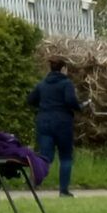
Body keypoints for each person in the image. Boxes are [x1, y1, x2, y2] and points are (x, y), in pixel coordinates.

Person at [27, 55, 87, 198]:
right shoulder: (66, 83)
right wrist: (80, 107)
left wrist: (44, 106)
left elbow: (30, 100)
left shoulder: (42, 84)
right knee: (65, 157)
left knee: (45, 156)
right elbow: (70, 101)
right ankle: (63, 191)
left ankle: (34, 181)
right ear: (63, 69)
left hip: (44, 122)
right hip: (62, 123)